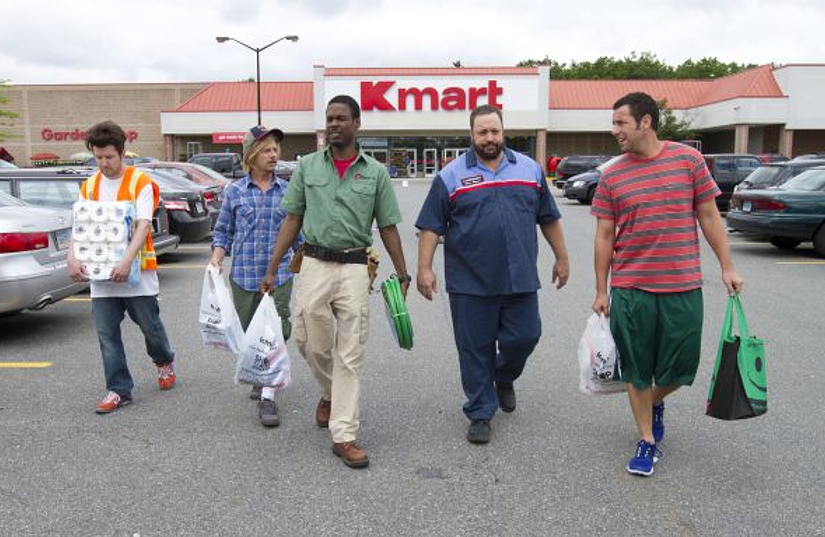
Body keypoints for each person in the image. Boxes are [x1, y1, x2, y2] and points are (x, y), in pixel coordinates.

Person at [591, 92, 744, 477]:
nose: (615, 131)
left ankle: (653, 402)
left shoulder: (688, 161)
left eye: (621, 123)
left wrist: (727, 266)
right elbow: (604, 234)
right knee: (637, 370)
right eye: (613, 124)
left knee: (680, 369)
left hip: (682, 284)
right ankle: (647, 440)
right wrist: (601, 289)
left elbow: (709, 214)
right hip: (631, 287)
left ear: (645, 122)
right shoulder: (611, 174)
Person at [261, 94, 410, 469]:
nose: (333, 124)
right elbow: (292, 219)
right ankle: (328, 392)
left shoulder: (375, 173)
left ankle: (344, 434)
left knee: (351, 351)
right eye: (329, 119)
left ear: (357, 124)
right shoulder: (308, 167)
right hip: (313, 263)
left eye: (341, 118)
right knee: (309, 340)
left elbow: (388, 226)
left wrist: (403, 272)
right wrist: (273, 266)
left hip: (356, 268)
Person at [415, 104, 569, 445]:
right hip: (469, 281)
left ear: (504, 132)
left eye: (494, 131)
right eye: (482, 132)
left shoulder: (529, 170)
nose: (489, 137)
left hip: (520, 277)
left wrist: (562, 257)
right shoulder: (451, 175)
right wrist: (424, 268)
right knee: (473, 349)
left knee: (526, 336)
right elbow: (430, 225)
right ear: (471, 134)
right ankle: (481, 412)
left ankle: (503, 375)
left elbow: (548, 217)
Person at [67, 120, 176, 414]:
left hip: (137, 273)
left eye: (109, 157)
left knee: (150, 327)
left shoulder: (141, 183)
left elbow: (142, 225)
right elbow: (80, 225)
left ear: (123, 153)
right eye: (98, 158)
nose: (103, 164)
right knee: (107, 334)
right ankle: (118, 389)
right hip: (101, 274)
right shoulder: (90, 185)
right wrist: (72, 256)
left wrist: (127, 260)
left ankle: (164, 360)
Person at [209, 125, 296, 427]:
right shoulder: (234, 192)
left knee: (277, 332)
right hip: (244, 277)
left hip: (281, 275)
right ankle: (260, 374)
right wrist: (216, 260)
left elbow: (298, 236)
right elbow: (223, 231)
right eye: (266, 150)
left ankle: (268, 395)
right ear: (251, 156)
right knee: (250, 335)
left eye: (275, 149)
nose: (273, 155)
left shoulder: (288, 191)